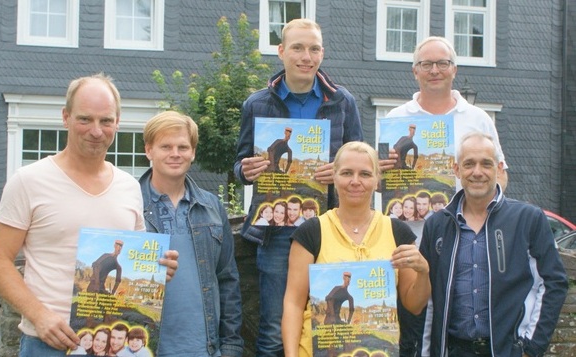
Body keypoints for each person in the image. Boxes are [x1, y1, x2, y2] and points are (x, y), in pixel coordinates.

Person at [0, 73, 178, 356]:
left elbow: (135, 260)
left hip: (112, 343)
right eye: (85, 119)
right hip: (48, 344)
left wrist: (159, 268)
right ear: (66, 117)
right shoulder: (28, 181)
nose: (96, 131)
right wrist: (39, 316)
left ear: (117, 122)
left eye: (106, 121)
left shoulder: (128, 186)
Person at [234, 18, 363, 356]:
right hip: (275, 231)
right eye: (298, 48)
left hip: (330, 229)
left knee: (328, 329)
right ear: (281, 52)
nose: (306, 56)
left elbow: (360, 165)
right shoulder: (256, 104)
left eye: (314, 48)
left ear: (322, 53)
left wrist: (338, 171)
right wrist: (246, 170)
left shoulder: (343, 102)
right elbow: (239, 166)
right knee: (274, 332)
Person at [419, 132, 568, 356]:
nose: (477, 172)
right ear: (457, 169)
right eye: (469, 164)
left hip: (507, 350)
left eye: (485, 164)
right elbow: (428, 298)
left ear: (498, 168)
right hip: (453, 349)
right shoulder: (437, 226)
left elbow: (553, 283)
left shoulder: (528, 219)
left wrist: (532, 347)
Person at [281, 141, 431, 357]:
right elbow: (293, 304)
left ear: (377, 180)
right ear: (334, 176)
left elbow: (414, 305)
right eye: (347, 173)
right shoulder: (311, 232)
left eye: (365, 174)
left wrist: (423, 272)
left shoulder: (398, 232)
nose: (355, 181)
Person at [139, 110, 243, 356]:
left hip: (205, 348)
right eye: (166, 146)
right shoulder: (127, 204)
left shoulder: (212, 207)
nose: (175, 154)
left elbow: (228, 280)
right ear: (148, 150)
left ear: (193, 152)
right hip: (143, 347)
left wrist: (230, 348)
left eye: (183, 147)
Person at [383, 36, 508, 190]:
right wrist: (380, 170)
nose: (435, 71)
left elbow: (500, 174)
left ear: (454, 70)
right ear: (415, 71)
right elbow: (377, 181)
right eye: (426, 64)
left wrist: (487, 208)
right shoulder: (393, 118)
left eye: (443, 64)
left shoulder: (479, 119)